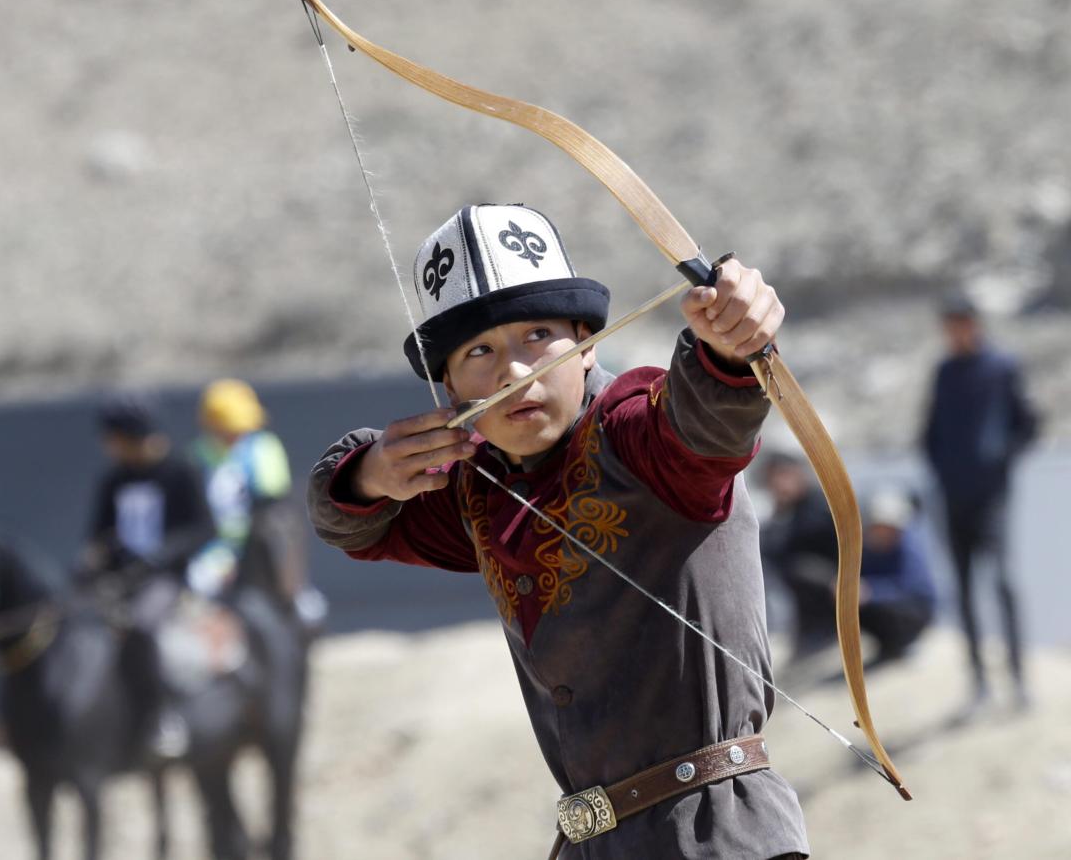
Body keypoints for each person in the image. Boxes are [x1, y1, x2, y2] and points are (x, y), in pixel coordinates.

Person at [308, 204, 808, 859]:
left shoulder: (637, 431)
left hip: (719, 835)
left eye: (537, 334)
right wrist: (372, 473)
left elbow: (707, 420)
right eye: (479, 352)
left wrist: (732, 344)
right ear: (452, 390)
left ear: (587, 341)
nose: (513, 371)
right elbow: (351, 523)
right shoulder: (475, 487)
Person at [921, 292, 1039, 713]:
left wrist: (999, 461)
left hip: (993, 496)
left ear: (974, 323)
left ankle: (1020, 680)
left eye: (960, 323)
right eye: (948, 325)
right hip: (952, 496)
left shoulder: (1002, 367)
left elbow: (1028, 424)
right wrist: (939, 469)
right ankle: (979, 684)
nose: (954, 332)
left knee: (1002, 581)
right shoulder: (944, 372)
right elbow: (930, 430)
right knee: (964, 587)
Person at [85, 392, 214, 758]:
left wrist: (161, 556)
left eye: (114, 438)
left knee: (142, 625)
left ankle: (163, 715)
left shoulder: (179, 472)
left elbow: (204, 528)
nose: (108, 447)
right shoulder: (113, 481)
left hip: (165, 580)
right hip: (119, 579)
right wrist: (94, 560)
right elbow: (98, 533)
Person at [193, 378, 327, 631]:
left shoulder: (262, 448)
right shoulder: (198, 457)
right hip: (214, 548)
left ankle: (297, 595)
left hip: (260, 543)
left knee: (280, 530)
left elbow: (273, 504)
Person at [758, 451, 840, 660]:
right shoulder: (791, 509)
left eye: (781, 477)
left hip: (839, 577)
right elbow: (773, 550)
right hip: (813, 576)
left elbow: (813, 537)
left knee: (798, 568)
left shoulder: (818, 502)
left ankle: (826, 628)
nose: (776, 486)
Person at [858, 489, 937, 666]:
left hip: (914, 610)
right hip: (879, 603)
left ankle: (903, 643)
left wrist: (872, 591)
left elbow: (912, 588)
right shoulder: (867, 547)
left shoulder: (908, 549)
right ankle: (886, 645)